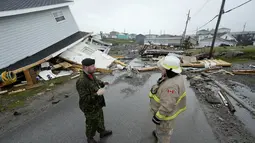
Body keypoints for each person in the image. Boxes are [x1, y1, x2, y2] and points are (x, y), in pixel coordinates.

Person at [148, 55, 187, 143]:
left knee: (164, 132)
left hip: (165, 117)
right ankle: (159, 132)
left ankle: (162, 136)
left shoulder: (171, 87)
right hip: (163, 114)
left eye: (162, 69)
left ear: (169, 70)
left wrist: (158, 117)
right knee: (161, 128)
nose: (160, 70)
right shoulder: (175, 76)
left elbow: (167, 105)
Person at [76, 58, 112, 143]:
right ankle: (90, 138)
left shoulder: (91, 74)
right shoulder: (81, 81)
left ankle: (102, 132)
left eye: (94, 65)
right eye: (92, 66)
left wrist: (103, 83)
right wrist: (97, 94)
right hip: (89, 107)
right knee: (92, 122)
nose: (94, 67)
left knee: (100, 118)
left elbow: (96, 81)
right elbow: (84, 98)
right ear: (85, 67)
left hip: (97, 104)